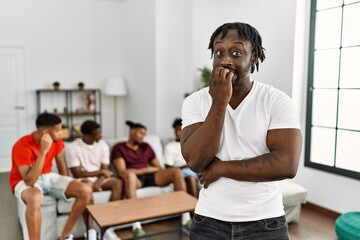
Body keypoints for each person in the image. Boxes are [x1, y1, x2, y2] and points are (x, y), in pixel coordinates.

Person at [180, 22, 303, 240]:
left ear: (253, 57)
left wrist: (221, 169)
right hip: (209, 221)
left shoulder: (277, 101)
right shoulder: (195, 102)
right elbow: (196, 161)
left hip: (266, 223)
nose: (226, 60)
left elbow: (286, 164)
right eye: (219, 52)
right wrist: (219, 102)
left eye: (236, 53)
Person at [9, 113, 93, 240]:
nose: (61, 134)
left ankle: (64, 236)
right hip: (23, 180)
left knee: (85, 190)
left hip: (48, 177)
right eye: (58, 131)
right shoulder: (22, 146)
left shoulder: (57, 141)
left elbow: (61, 164)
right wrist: (43, 151)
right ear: (46, 132)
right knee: (35, 197)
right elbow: (29, 180)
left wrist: (66, 184)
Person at [111, 120, 192, 237]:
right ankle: (136, 225)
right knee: (130, 175)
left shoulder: (146, 146)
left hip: (149, 176)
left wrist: (140, 170)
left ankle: (185, 217)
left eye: (144, 134)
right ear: (132, 131)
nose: (143, 137)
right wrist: (145, 170)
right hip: (134, 180)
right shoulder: (119, 148)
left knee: (175, 172)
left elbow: (158, 167)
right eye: (140, 133)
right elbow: (123, 172)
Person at [65, 120, 123, 240]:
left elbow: (105, 170)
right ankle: (90, 232)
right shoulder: (73, 147)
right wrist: (100, 173)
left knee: (118, 183)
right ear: (87, 135)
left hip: (99, 179)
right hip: (81, 180)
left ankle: (108, 227)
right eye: (97, 133)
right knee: (86, 189)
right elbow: (77, 173)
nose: (101, 135)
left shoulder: (103, 145)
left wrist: (98, 182)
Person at [164, 118, 199, 198]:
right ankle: (194, 207)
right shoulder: (169, 147)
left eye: (180, 130)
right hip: (181, 172)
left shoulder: (192, 144)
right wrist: (186, 166)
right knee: (190, 178)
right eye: (175, 130)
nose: (177, 133)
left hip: (195, 169)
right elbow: (168, 168)